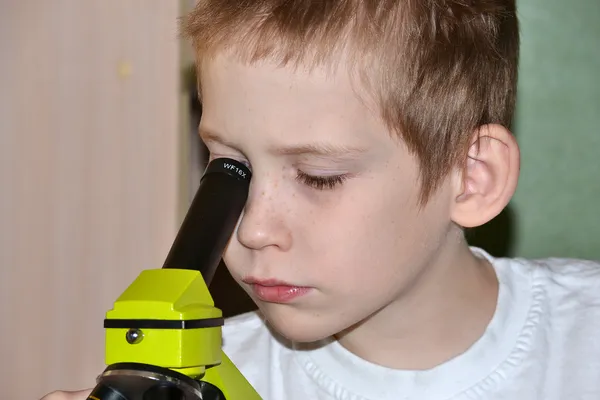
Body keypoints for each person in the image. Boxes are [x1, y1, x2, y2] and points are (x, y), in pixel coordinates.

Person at [42, 1, 600, 399]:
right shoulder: (203, 376)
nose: (253, 229)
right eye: (229, 169)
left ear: (471, 177)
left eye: (318, 176)